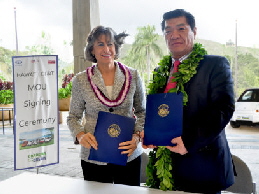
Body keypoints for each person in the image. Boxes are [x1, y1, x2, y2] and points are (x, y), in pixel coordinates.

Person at [143, 9, 235, 194]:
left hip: (203, 167)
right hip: (167, 169)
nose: (174, 35)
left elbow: (223, 109)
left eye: (181, 28)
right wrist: (150, 134)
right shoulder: (162, 71)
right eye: (168, 31)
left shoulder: (215, 65)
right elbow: (161, 111)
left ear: (194, 31)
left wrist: (189, 141)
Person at [67, 25, 146, 186]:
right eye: (100, 44)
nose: (106, 49)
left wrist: (137, 137)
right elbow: (73, 117)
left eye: (110, 44)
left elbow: (143, 112)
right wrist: (80, 135)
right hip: (94, 155)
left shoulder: (133, 75)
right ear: (92, 50)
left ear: (116, 48)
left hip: (128, 154)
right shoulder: (80, 80)